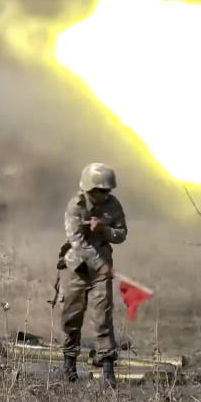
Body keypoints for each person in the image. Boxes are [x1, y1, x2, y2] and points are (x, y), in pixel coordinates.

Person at [60, 162, 127, 388]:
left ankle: (107, 369)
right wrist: (99, 263)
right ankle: (69, 364)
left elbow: (121, 234)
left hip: (101, 271)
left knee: (103, 317)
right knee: (71, 316)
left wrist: (103, 230)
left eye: (108, 190)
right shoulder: (76, 206)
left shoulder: (113, 205)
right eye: (101, 190)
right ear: (89, 188)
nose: (105, 194)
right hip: (77, 268)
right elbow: (76, 242)